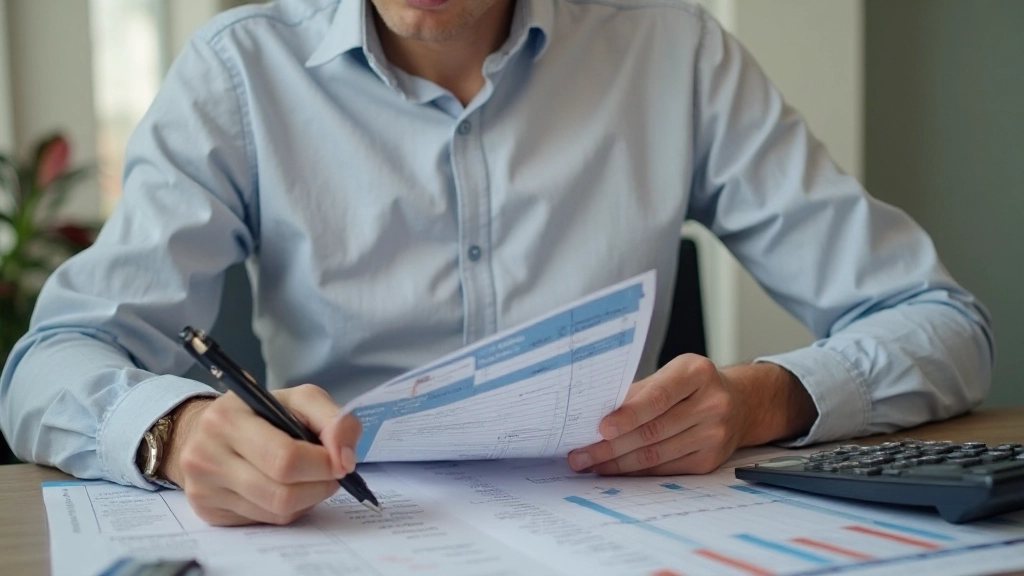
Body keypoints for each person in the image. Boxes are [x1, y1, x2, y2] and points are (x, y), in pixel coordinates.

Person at [0, 0, 993, 528]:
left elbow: (939, 324)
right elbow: (52, 362)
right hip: (340, 534)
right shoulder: (236, 74)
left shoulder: (678, 56)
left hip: (622, 538)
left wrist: (767, 397)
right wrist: (173, 431)